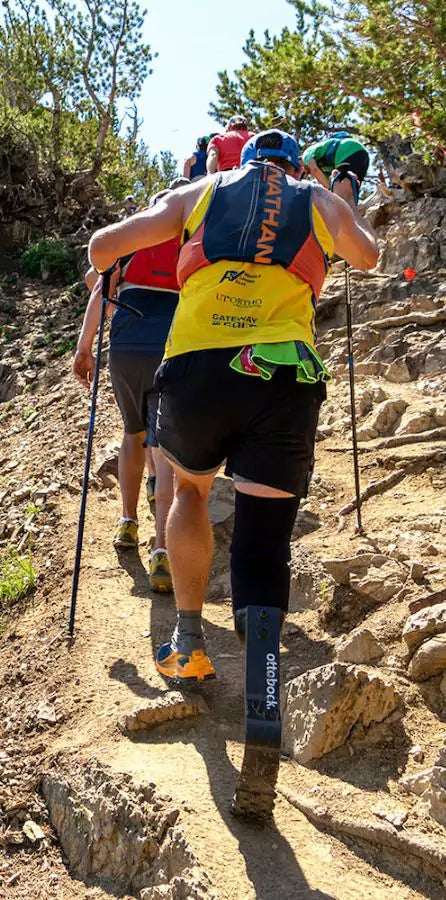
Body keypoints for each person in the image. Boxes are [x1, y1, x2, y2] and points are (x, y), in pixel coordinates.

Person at [87, 129, 378, 680]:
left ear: (243, 162)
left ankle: (189, 637)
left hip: (199, 366)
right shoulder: (315, 201)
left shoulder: (201, 191)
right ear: (293, 168)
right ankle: (262, 659)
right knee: (265, 524)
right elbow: (367, 255)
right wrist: (343, 189)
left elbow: (104, 247)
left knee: (191, 491)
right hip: (284, 372)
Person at [73, 189, 181, 593]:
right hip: (172, 346)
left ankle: (127, 522)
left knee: (132, 433)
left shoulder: (131, 243)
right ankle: (163, 552)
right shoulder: (190, 243)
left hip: (127, 346)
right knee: (165, 446)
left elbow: (97, 287)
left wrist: (84, 348)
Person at [302, 132, 371, 198]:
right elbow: (327, 182)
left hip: (347, 150)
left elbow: (314, 169)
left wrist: (331, 190)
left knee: (340, 194)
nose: (305, 175)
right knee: (353, 194)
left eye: (301, 174)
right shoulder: (325, 169)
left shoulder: (306, 155)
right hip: (363, 154)